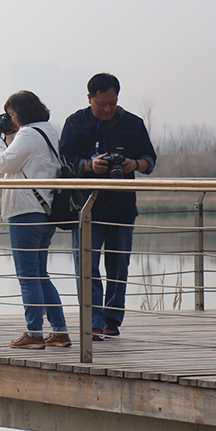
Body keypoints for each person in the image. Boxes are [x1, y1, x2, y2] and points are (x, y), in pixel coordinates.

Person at [59, 73, 156, 339]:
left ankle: (112, 320)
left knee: (118, 266)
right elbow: (65, 159)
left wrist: (133, 164)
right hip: (85, 207)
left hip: (122, 207)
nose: (107, 109)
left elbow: (149, 160)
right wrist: (89, 165)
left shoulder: (133, 123)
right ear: (89, 98)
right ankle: (93, 322)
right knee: (86, 266)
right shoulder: (75, 123)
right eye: (101, 103)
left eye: (112, 103)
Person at [0, 91, 71, 349]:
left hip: (25, 212)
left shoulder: (27, 134)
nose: (9, 119)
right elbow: (26, 161)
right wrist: (9, 136)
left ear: (21, 112)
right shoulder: (47, 131)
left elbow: (5, 163)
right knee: (40, 274)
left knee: (27, 276)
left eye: (11, 114)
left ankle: (34, 333)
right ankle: (59, 332)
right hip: (45, 211)